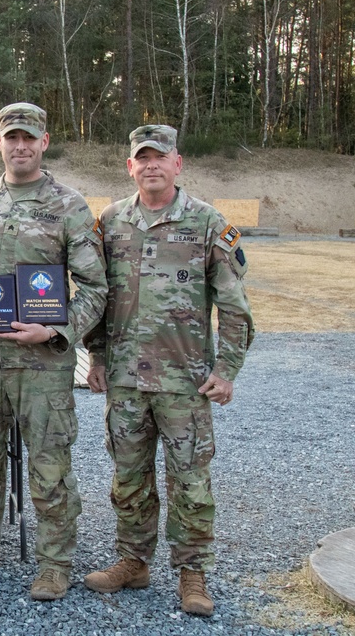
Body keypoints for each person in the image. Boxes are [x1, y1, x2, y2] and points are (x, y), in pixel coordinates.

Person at [0, 102, 108, 601]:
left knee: (50, 466)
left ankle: (55, 563)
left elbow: (95, 287)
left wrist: (56, 333)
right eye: (12, 137)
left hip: (43, 364)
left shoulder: (69, 206)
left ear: (44, 142)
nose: (21, 146)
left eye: (30, 137)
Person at [81, 125, 254, 616]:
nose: (152, 165)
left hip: (185, 381)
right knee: (128, 477)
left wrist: (226, 370)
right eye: (143, 158)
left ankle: (193, 575)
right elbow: (98, 299)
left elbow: (235, 307)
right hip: (126, 380)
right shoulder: (111, 222)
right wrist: (95, 357)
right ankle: (133, 561)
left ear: (178, 164)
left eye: (162, 157)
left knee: (190, 482)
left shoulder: (205, 223)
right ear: (130, 166)